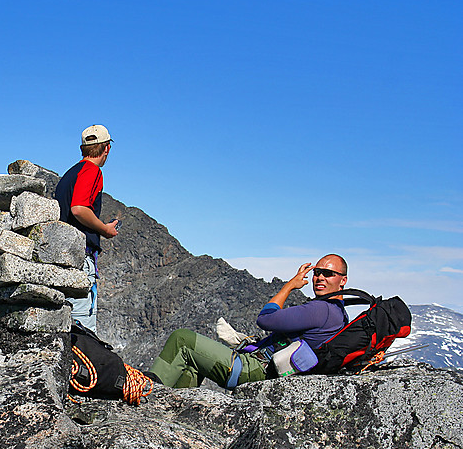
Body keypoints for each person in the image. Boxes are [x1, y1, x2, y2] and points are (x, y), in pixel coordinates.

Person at [147, 254, 350, 389]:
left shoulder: (321, 309)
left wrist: (289, 286)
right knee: (192, 365)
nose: (320, 277)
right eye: (317, 272)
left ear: (343, 280)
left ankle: (146, 394)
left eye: (328, 274)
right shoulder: (339, 315)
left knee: (182, 339)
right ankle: (171, 411)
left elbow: (265, 318)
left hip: (253, 371)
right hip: (269, 374)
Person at [54, 124, 120, 332]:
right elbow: (79, 208)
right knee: (83, 329)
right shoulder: (92, 172)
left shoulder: (69, 174)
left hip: (61, 259)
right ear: (107, 148)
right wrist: (104, 230)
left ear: (83, 148)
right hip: (80, 261)